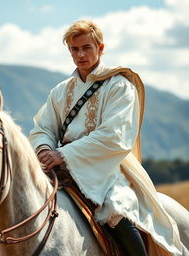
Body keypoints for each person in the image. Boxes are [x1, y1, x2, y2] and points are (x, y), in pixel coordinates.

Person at [29, 19, 182, 255]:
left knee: (115, 210)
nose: (80, 54)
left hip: (107, 169)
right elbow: (43, 127)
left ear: (100, 48)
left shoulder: (119, 86)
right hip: (61, 167)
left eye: (86, 47)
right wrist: (44, 151)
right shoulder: (60, 90)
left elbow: (115, 136)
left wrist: (63, 154)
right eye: (74, 49)